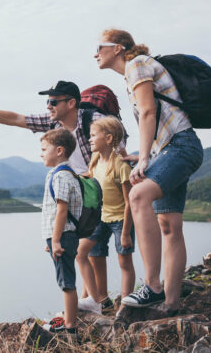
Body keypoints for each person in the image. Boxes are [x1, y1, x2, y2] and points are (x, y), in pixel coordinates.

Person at [94, 28, 203, 312]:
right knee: (169, 226)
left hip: (180, 146)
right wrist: (144, 156)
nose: (96, 53)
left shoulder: (137, 64)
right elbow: (152, 119)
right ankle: (171, 302)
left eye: (100, 47)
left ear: (117, 48)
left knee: (139, 196)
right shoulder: (134, 70)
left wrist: (143, 160)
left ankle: (152, 286)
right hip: (169, 150)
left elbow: (148, 112)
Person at [0, 81, 124, 175]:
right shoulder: (53, 123)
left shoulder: (95, 120)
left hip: (107, 190)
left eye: (53, 102)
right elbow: (16, 118)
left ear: (71, 103)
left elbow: (120, 151)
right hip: (81, 192)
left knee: (122, 239)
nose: (49, 106)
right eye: (47, 102)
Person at [75, 116, 135, 314]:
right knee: (82, 254)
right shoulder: (94, 164)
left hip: (120, 220)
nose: (89, 139)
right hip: (99, 219)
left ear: (108, 139)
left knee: (124, 262)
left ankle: (126, 305)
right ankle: (98, 299)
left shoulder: (120, 165)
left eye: (93, 135)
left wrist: (126, 232)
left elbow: (129, 202)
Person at [39, 128, 83, 335]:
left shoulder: (61, 176)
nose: (41, 153)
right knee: (64, 279)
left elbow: (62, 210)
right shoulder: (60, 174)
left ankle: (70, 327)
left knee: (66, 282)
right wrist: (51, 240)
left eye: (44, 149)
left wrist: (55, 241)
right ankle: (68, 321)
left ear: (59, 150)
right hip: (61, 236)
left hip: (63, 236)